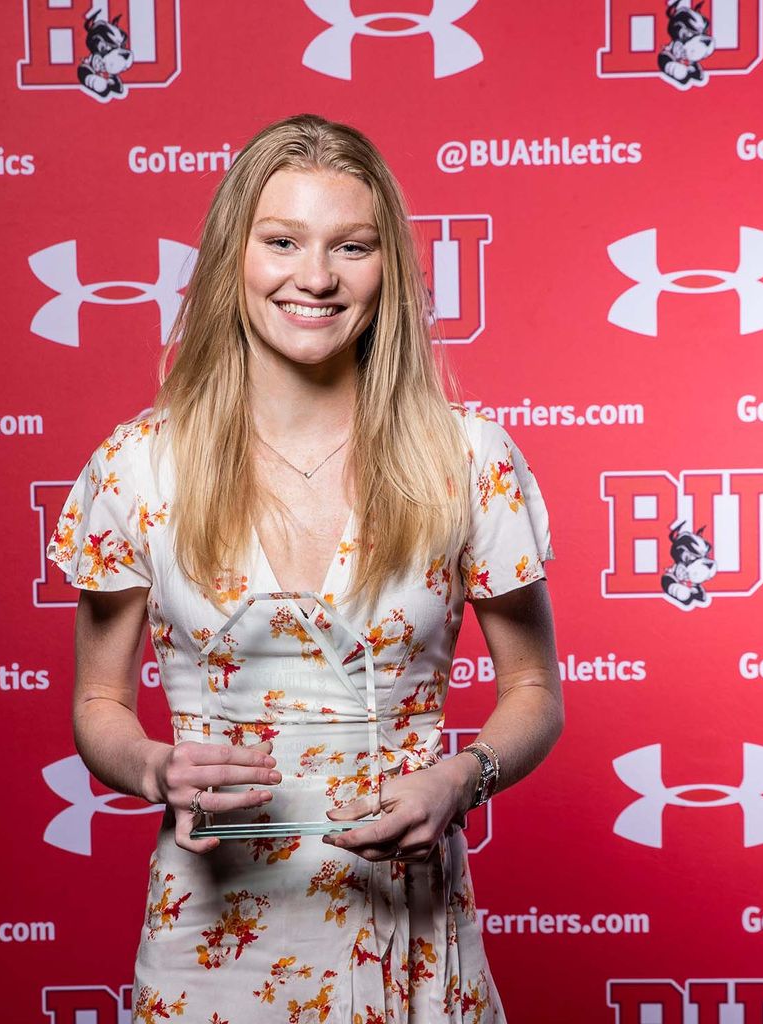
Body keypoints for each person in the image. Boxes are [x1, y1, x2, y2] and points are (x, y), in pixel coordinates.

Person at [46, 113, 563, 1024]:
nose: (315, 277)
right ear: (232, 258)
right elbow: (99, 705)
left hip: (407, 931)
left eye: (351, 247)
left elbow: (534, 690)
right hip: (210, 940)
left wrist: (460, 777)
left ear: (386, 268)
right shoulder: (136, 466)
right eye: (282, 241)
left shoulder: (468, 457)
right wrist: (157, 772)